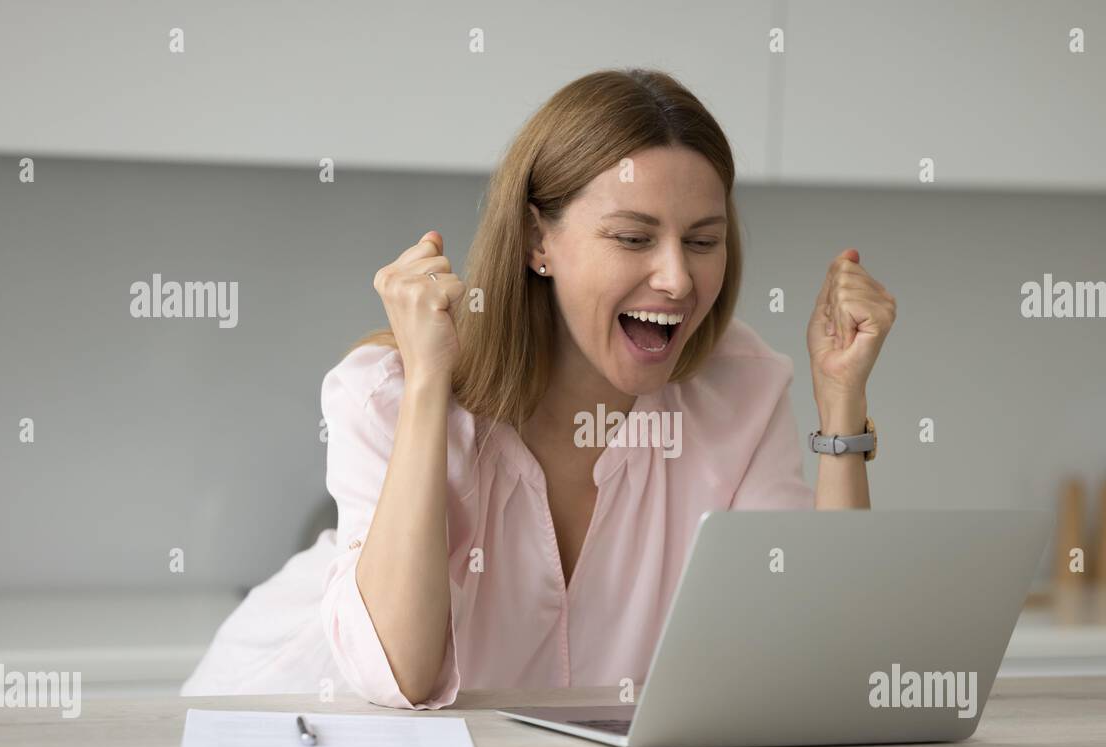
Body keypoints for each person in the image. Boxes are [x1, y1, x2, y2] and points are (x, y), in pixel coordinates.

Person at [180, 68, 896, 709]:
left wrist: (840, 405)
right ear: (536, 242)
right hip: (290, 734)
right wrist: (430, 382)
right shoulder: (386, 391)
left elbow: (818, 657)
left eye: (703, 241)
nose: (677, 279)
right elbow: (399, 675)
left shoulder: (738, 387)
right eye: (633, 237)